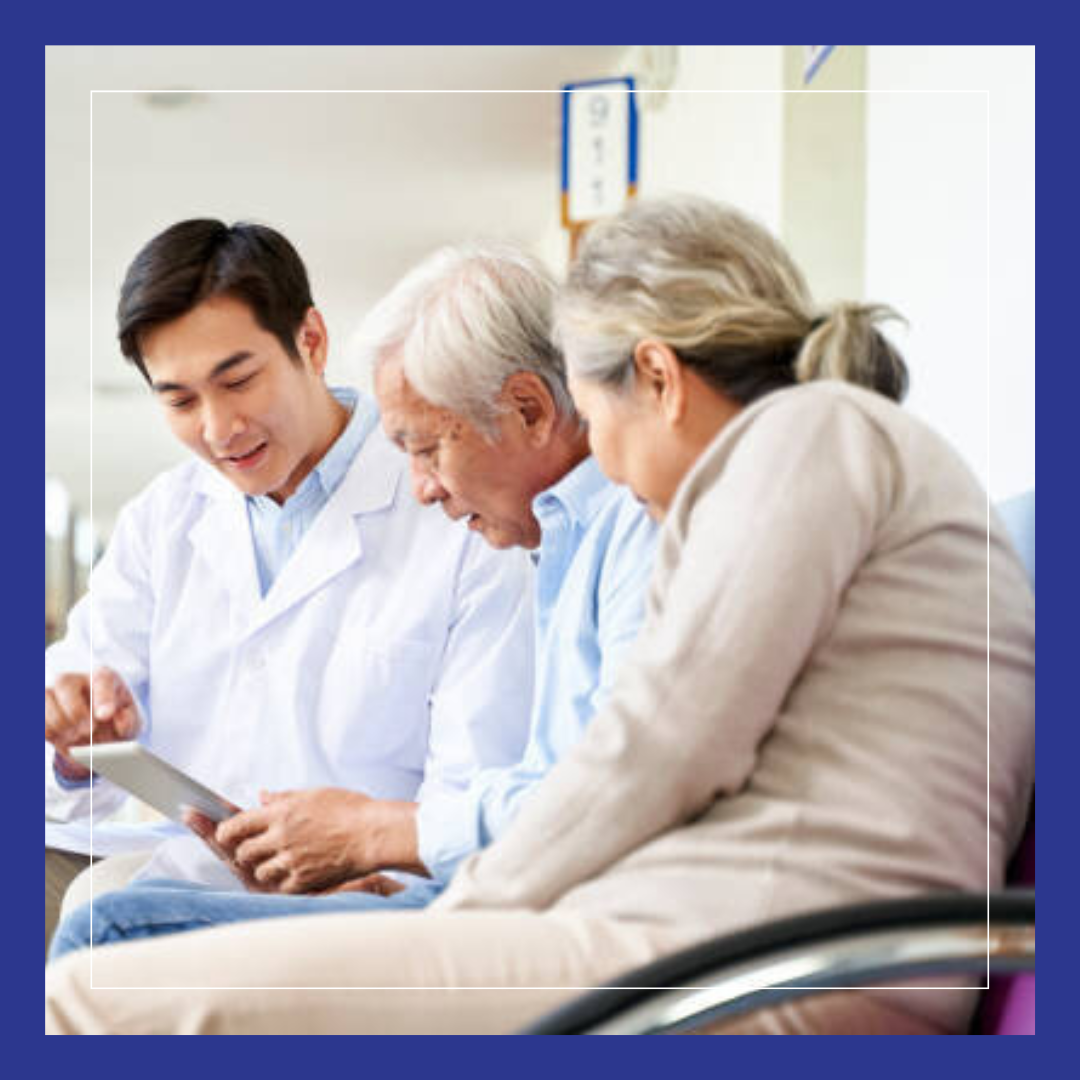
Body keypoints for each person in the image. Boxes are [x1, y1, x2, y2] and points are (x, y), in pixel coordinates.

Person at [45, 195, 1035, 1036]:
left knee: (95, 987)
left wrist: (453, 917)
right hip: (714, 936)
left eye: (595, 419)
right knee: (109, 951)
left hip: (765, 958)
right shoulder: (806, 456)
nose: (597, 455)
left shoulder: (810, 440)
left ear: (656, 378)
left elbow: (661, 748)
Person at [47, 240, 657, 959]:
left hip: (396, 890)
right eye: (179, 400)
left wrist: (376, 851)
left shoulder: (500, 517)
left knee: (107, 929)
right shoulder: (163, 519)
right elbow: (64, 757)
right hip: (201, 863)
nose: (217, 429)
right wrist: (76, 741)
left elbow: (511, 789)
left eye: (238, 380)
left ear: (310, 341)